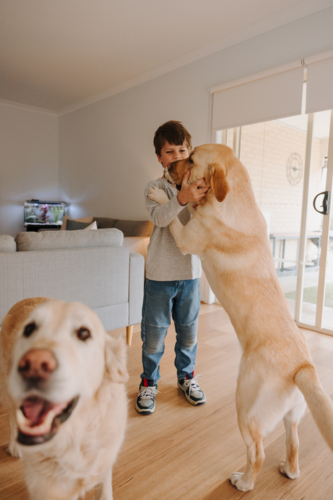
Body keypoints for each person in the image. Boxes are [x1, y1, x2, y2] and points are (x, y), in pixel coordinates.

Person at [136, 120, 208, 415]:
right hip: (160, 275)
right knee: (153, 336)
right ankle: (148, 382)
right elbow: (161, 220)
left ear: (189, 152)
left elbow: (201, 225)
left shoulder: (201, 185)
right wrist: (179, 198)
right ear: (160, 157)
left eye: (182, 149)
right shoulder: (153, 187)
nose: (177, 155)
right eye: (169, 151)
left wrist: (188, 196)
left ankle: (186, 378)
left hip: (190, 275)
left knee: (188, 334)